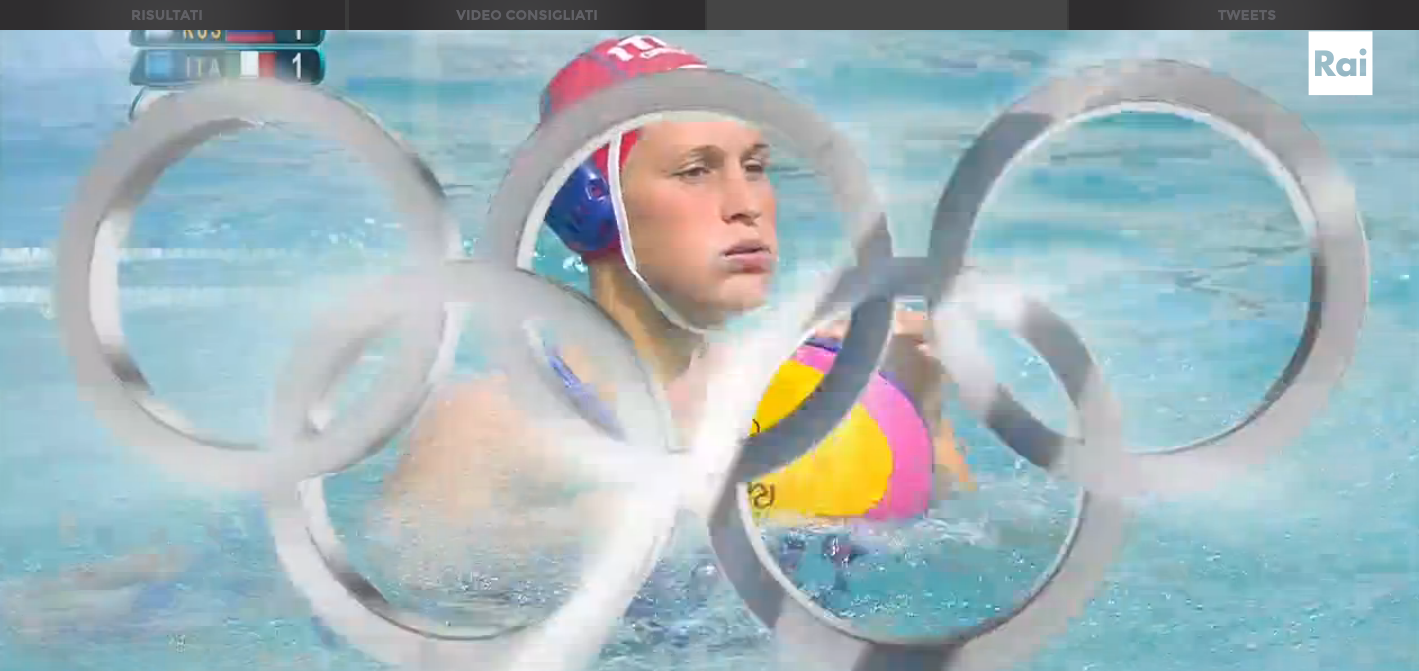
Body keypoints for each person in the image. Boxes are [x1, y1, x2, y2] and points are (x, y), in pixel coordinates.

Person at [379, 34, 975, 624]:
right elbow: (418, 600)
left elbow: (962, 560)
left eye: (755, 166)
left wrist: (920, 412)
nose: (746, 203)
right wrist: (605, 524)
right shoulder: (494, 424)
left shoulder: (811, 388)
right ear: (592, 204)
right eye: (695, 171)